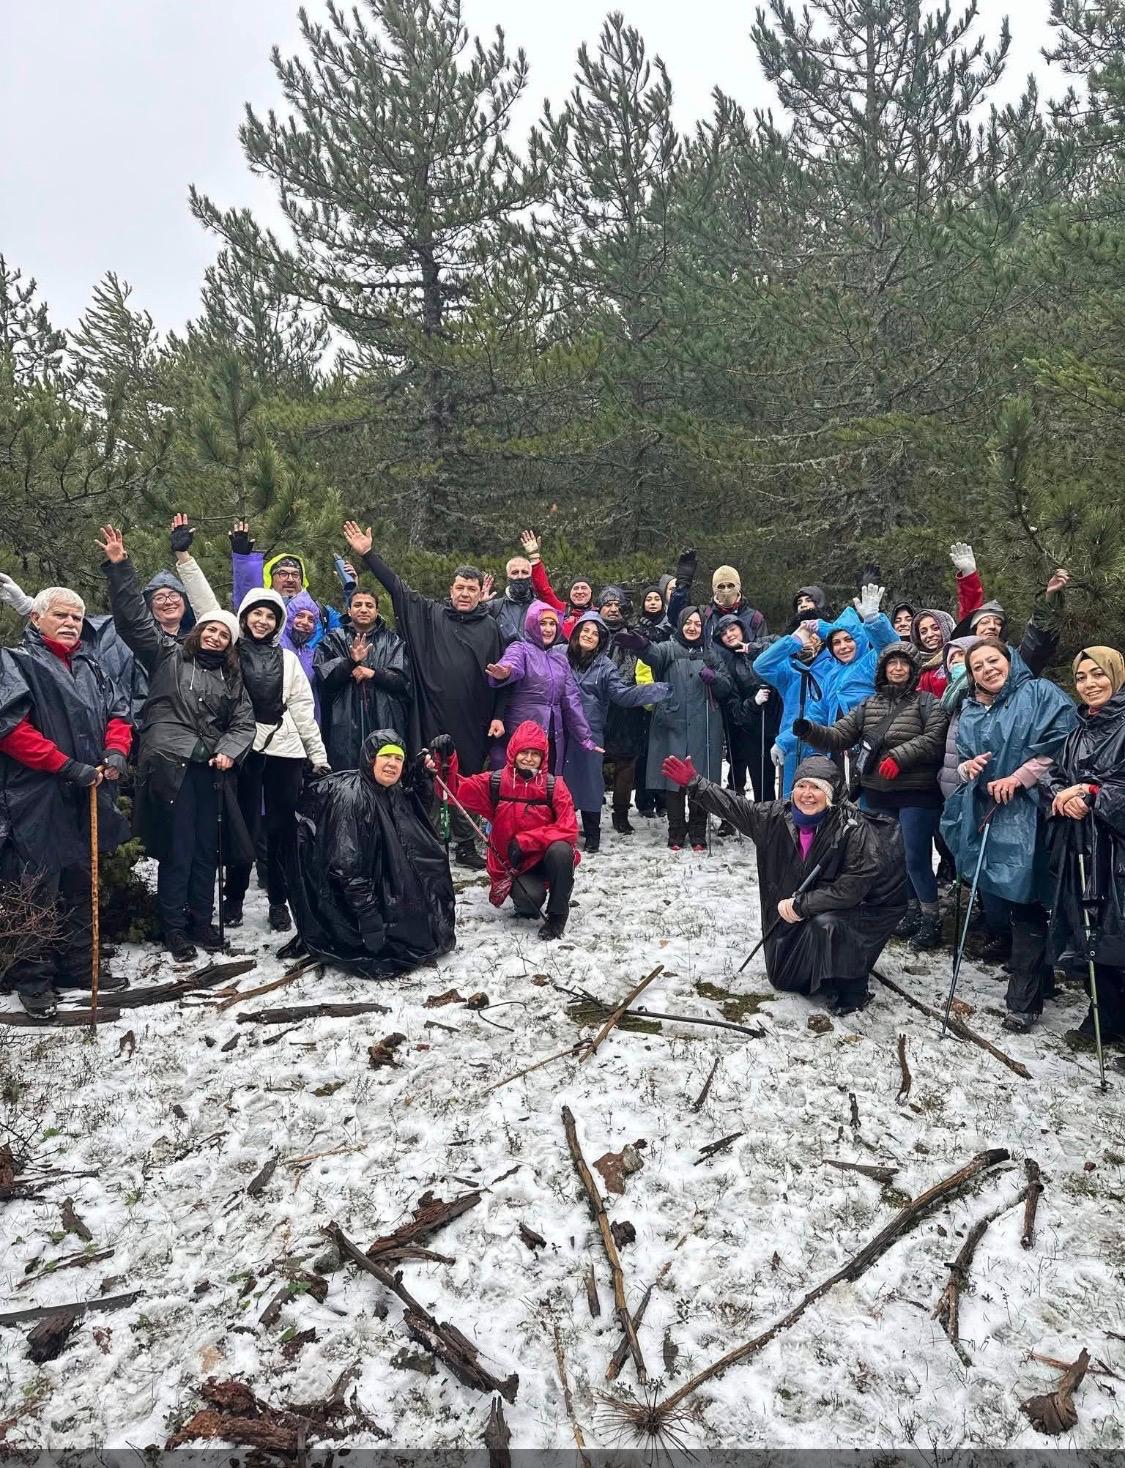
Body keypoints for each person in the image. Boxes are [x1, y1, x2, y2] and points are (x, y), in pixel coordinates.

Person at [100, 527, 256, 961]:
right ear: (197, 631)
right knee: (179, 850)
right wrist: (119, 567)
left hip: (211, 772)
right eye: (209, 630)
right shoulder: (167, 654)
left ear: (229, 644)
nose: (215, 636)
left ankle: (202, 923)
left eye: (223, 635)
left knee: (208, 850)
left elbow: (244, 722)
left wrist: (229, 749)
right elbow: (132, 619)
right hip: (171, 768)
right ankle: (174, 929)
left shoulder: (231, 677)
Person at [171, 523, 330, 931]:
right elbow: (206, 603)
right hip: (241, 749)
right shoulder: (232, 652)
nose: (261, 620)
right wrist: (185, 560)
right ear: (245, 617)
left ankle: (279, 900)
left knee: (280, 830)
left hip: (285, 751)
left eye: (269, 615)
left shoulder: (289, 660)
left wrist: (319, 758)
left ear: (278, 622)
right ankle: (235, 897)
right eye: (255, 613)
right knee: (241, 826)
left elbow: (302, 708)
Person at [662, 752, 907, 1014]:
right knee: (784, 979)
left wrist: (803, 905)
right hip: (793, 910)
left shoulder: (852, 828)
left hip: (856, 911)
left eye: (817, 787)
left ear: (832, 794)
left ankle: (852, 989)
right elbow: (736, 807)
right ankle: (821, 968)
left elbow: (853, 887)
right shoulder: (775, 817)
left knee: (827, 926)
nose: (807, 794)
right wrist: (695, 783)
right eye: (801, 786)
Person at [0, 586, 133, 1017]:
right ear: (36, 618)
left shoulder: (91, 664)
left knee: (81, 880)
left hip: (89, 788)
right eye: (61, 615)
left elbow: (119, 712)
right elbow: (11, 729)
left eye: (77, 617)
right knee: (36, 887)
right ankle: (33, 980)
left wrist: (116, 751)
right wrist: (63, 765)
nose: (72, 623)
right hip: (37, 795)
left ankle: (79, 966)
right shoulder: (15, 661)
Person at [342, 521, 501, 870]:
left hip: (473, 717)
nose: (464, 594)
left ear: (479, 594)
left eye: (471, 589)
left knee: (467, 778)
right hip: (429, 711)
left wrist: (498, 714)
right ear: (451, 589)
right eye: (460, 587)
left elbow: (502, 677)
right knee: (426, 777)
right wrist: (368, 554)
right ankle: (426, 841)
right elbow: (397, 589)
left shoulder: (491, 627)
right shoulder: (431, 614)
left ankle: (464, 843)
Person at [941, 638, 1077, 1032]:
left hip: (1036, 812)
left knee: (1027, 899)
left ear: (1009, 659)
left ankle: (1023, 1000)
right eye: (977, 665)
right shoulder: (970, 709)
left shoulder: (1039, 693)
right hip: (991, 812)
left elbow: (1062, 742)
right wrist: (968, 769)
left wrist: (1020, 777)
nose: (987, 669)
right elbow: (965, 754)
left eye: (992, 660)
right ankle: (1042, 980)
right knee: (1011, 898)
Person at [794, 643, 950, 949]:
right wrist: (810, 730)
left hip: (916, 793)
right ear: (882, 669)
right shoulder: (869, 705)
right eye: (892, 663)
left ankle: (931, 916)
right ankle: (908, 909)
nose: (897, 669)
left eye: (904, 664)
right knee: (888, 858)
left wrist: (900, 758)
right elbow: (840, 735)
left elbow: (935, 739)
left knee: (915, 857)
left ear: (913, 669)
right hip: (876, 792)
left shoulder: (928, 703)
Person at [285, 729, 455, 977]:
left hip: (381, 884)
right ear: (370, 759)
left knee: (424, 931)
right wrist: (368, 918)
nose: (392, 764)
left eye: (398, 759)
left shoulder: (390, 790)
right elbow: (347, 866)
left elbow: (416, 820)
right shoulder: (353, 798)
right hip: (350, 898)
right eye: (386, 756)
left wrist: (422, 776)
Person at [429, 720, 580, 940]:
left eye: (535, 754)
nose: (529, 758)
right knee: (529, 903)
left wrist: (526, 841)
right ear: (513, 752)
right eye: (523, 752)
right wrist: (447, 759)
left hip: (546, 858)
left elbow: (568, 830)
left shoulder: (554, 786)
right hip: (515, 865)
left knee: (562, 851)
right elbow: (453, 791)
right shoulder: (496, 782)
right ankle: (529, 896)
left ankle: (557, 915)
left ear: (543, 757)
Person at [1043, 647, 1125, 1048]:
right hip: (1080, 847)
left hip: (1116, 850)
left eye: (1098, 675)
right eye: (1081, 677)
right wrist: (1062, 795)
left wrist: (1093, 794)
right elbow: (1056, 775)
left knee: (1119, 931)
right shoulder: (1077, 730)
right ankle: (1104, 1016)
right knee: (1092, 931)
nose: (1090, 684)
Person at [2, 564, 194, 724]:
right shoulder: (114, 628)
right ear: (147, 604)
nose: (168, 602)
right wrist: (28, 606)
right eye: (159, 597)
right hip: (118, 725)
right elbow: (70, 626)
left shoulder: (198, 642)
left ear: (185, 602)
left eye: (174, 595)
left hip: (164, 733)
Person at [563, 610, 670, 850]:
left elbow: (622, 694)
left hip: (591, 732)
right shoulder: (561, 656)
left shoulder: (605, 666)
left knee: (590, 782)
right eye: (585, 630)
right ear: (576, 632)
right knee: (562, 783)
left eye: (595, 633)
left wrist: (657, 690)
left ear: (601, 640)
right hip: (561, 731)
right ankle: (563, 830)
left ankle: (592, 833)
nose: (589, 636)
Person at [641, 607, 734, 850]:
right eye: (688, 623)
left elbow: (727, 686)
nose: (692, 627)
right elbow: (651, 654)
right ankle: (675, 832)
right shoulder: (669, 648)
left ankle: (698, 832)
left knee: (699, 779)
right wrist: (640, 644)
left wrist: (714, 678)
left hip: (704, 724)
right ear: (681, 624)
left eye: (697, 624)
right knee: (674, 780)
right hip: (673, 723)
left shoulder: (711, 654)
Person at [486, 601, 601, 773]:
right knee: (517, 784)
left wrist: (585, 738)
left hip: (552, 735)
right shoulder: (521, 648)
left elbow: (571, 700)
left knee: (545, 784)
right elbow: (512, 664)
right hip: (522, 730)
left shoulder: (560, 659)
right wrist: (506, 673)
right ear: (532, 624)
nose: (548, 629)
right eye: (542, 623)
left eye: (552, 624)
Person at [315, 588, 412, 772]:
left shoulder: (393, 642)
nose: (364, 609)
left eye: (369, 605)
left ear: (377, 611)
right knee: (345, 777)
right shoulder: (333, 640)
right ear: (349, 610)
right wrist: (350, 663)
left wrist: (373, 673)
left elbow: (403, 682)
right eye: (358, 605)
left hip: (384, 719)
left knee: (383, 773)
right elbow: (325, 681)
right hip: (342, 722)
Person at [752, 622, 831, 797]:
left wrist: (821, 627)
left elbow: (849, 637)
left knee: (822, 799)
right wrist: (795, 640)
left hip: (823, 742)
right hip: (791, 745)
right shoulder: (788, 669)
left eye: (814, 635)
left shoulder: (831, 666)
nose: (809, 640)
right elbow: (760, 666)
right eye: (805, 635)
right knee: (791, 799)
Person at [711, 614, 781, 805]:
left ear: (742, 629)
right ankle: (766, 823)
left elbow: (785, 645)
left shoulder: (763, 643)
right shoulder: (729, 666)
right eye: (724, 634)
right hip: (755, 732)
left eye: (732, 629)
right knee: (763, 785)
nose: (729, 635)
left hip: (782, 723)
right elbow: (735, 711)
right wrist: (754, 702)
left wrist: (752, 648)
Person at [229, 519, 342, 629]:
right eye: (283, 573)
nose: (290, 579)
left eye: (296, 575)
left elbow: (350, 626)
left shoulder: (320, 612)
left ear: (302, 581)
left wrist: (351, 590)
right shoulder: (261, 610)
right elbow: (245, 599)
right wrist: (242, 560)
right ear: (271, 580)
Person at [666, 549, 768, 649]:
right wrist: (683, 585)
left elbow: (764, 652)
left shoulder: (755, 618)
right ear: (714, 590)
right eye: (721, 587)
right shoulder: (705, 614)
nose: (726, 590)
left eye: (730, 585)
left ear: (739, 587)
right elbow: (677, 618)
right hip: (710, 665)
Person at [520, 530, 594, 639]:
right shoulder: (561, 609)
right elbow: (543, 591)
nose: (579, 591)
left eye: (584, 588)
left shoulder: (599, 614)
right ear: (570, 593)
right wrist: (534, 558)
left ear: (591, 592)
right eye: (575, 588)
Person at [281, 590, 326, 719]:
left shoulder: (310, 653)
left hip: (304, 725)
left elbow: (313, 697)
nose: (305, 622)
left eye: (311, 619)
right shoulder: (276, 645)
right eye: (300, 615)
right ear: (289, 617)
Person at [485, 553, 536, 646]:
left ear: (531, 576)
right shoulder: (493, 607)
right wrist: (479, 605)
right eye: (515, 572)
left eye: (524, 572)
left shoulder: (540, 608)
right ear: (508, 576)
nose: (520, 576)